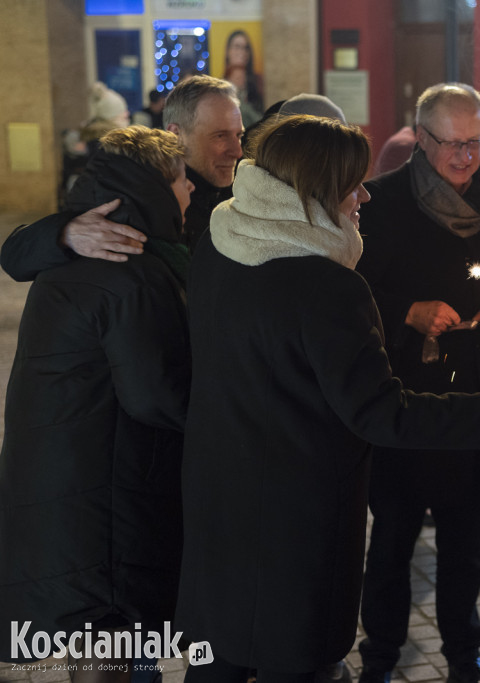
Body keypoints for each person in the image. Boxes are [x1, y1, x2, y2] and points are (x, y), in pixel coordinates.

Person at [174, 113, 480, 683]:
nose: (364, 195)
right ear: (317, 188)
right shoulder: (327, 285)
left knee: (221, 656)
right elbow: (380, 411)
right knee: (296, 662)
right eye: (352, 183)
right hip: (295, 518)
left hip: (218, 495)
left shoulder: (219, 244)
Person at [353, 83, 480, 683]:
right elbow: (353, 295)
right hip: (405, 397)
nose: (466, 157)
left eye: (476, 141)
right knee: (392, 541)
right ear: (420, 138)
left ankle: (464, 656)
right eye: (452, 143)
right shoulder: (379, 202)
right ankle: (380, 655)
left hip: (477, 392)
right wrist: (408, 311)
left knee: (465, 541)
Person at [0, 125, 194, 680]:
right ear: (153, 187)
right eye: (181, 180)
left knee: (102, 641)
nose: (191, 190)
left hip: (70, 489)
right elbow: (156, 396)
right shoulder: (125, 267)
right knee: (110, 639)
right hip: (104, 494)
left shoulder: (86, 250)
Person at [2, 74, 243, 278]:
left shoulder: (241, 191)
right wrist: (65, 234)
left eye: (238, 135)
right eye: (220, 136)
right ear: (176, 134)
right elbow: (15, 255)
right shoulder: (137, 193)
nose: (237, 151)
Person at [223, 29, 264, 119]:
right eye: (237, 47)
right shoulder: (219, 87)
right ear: (228, 51)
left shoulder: (259, 83)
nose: (242, 52)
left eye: (245, 48)